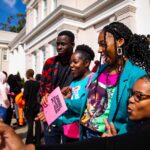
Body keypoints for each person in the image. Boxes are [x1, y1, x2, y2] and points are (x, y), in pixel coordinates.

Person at [39, 22, 149, 140]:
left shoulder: (137, 75)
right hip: (84, 134)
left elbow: (139, 120)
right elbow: (87, 104)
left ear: (120, 42)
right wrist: (56, 105)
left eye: (103, 44)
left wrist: (119, 138)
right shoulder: (101, 69)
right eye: (99, 45)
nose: (99, 50)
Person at [1, 75, 150, 150]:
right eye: (131, 94)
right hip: (78, 131)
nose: (130, 100)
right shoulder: (72, 84)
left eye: (139, 97)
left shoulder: (92, 79)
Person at [39, 30, 75, 144]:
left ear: (72, 45)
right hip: (51, 113)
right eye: (57, 44)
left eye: (63, 44)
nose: (59, 47)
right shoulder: (50, 62)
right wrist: (44, 96)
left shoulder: (77, 63)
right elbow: (43, 86)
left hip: (70, 114)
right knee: (50, 144)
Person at [23, 69, 41, 144]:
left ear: (27, 74)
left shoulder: (27, 83)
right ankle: (37, 140)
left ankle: (29, 140)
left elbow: (25, 94)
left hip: (29, 105)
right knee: (37, 123)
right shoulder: (37, 83)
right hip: (36, 105)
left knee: (30, 124)